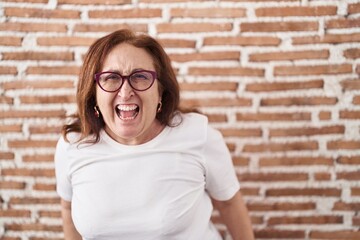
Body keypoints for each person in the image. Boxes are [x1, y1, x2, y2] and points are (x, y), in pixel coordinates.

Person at [54, 29, 255, 240]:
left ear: (160, 92)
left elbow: (229, 203)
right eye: (111, 77)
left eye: (140, 76)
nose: (125, 92)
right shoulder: (72, 145)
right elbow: (68, 210)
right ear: (94, 94)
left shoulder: (198, 135)